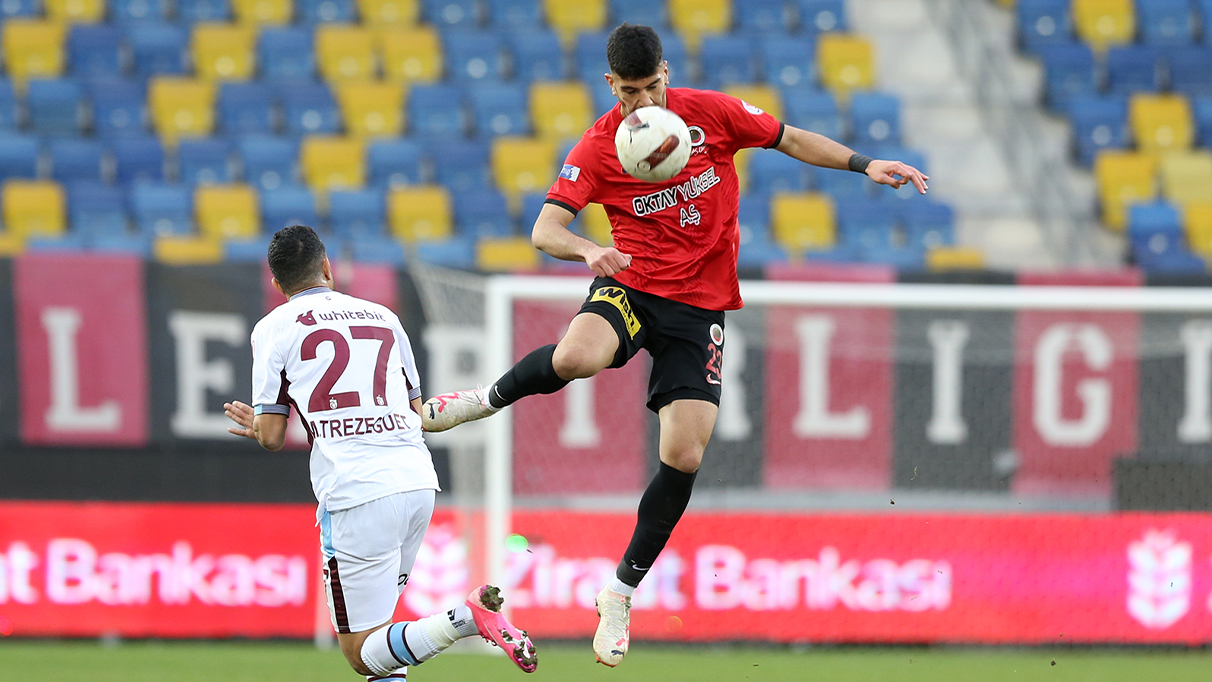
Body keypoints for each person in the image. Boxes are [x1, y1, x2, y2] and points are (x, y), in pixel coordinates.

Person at [421, 24, 929, 668]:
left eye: (651, 86)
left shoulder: (712, 113)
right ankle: (480, 401)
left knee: (684, 454)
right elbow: (545, 228)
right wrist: (589, 250)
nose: (642, 102)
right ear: (611, 85)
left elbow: (790, 137)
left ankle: (619, 592)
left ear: (667, 71)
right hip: (632, 285)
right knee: (577, 355)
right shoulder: (601, 146)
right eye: (629, 92)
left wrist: (864, 163)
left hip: (701, 306)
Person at [223, 225, 537, 681]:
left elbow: (272, 436)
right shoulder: (382, 316)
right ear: (327, 267)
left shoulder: (272, 328)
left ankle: (466, 619)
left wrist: (258, 427)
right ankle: (464, 622)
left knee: (360, 651)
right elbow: (415, 410)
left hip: (357, 493)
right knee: (384, 640)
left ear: (277, 283)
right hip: (416, 482)